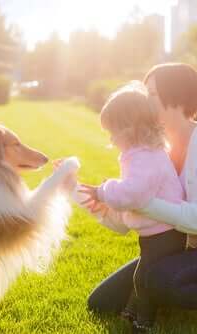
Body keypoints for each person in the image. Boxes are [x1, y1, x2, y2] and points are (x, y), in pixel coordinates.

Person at [85, 63, 197, 332]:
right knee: (101, 302)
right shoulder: (153, 147)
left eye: (150, 93)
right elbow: (132, 219)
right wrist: (103, 205)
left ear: (176, 98)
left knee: (155, 279)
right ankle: (171, 290)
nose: (143, 101)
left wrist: (139, 201)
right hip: (174, 253)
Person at [78, 81, 187, 332]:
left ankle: (144, 322)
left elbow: (133, 193)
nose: (111, 139)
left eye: (113, 131)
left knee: (145, 278)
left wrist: (103, 191)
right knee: (142, 274)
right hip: (156, 233)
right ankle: (133, 311)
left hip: (165, 234)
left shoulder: (146, 156)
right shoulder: (142, 153)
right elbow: (131, 192)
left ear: (131, 128)